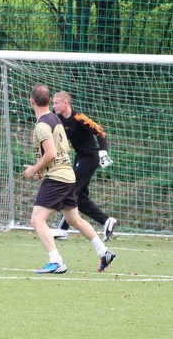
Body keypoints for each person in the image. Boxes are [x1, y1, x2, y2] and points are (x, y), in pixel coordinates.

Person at [23, 84, 116, 274]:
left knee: (37, 220)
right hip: (67, 174)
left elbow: (50, 153)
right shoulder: (55, 120)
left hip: (57, 177)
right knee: (74, 219)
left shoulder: (42, 125)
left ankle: (56, 261)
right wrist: (43, 166)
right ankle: (104, 251)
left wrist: (35, 168)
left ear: (31, 101)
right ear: (50, 101)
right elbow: (63, 149)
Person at [51, 91, 117, 241]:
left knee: (70, 190)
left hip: (90, 156)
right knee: (80, 199)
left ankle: (62, 229)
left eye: (56, 103)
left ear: (66, 103)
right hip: (80, 156)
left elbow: (100, 132)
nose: (53, 106)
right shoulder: (59, 120)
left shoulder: (79, 117)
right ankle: (107, 221)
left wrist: (103, 152)